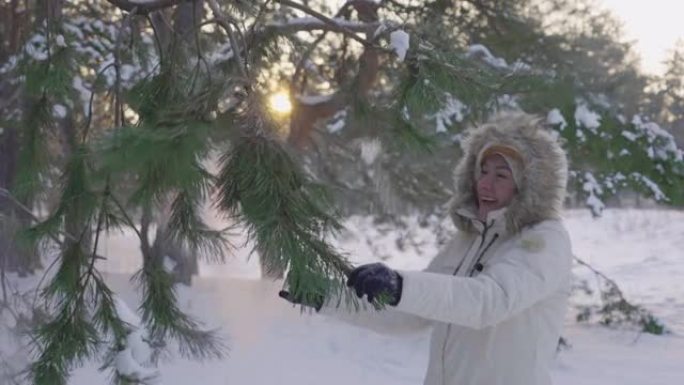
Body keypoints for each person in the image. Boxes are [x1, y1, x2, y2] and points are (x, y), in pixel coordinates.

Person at [281, 111, 573, 385]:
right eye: (482, 171)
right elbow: (410, 313)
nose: (485, 184)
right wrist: (326, 296)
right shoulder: (467, 242)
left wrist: (401, 285)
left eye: (501, 175)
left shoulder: (545, 241)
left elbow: (488, 301)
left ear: (529, 186)